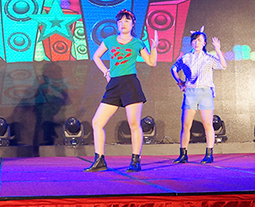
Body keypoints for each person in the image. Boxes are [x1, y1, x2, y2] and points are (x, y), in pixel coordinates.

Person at [86, 9, 158, 172]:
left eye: (127, 21)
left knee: (134, 124)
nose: (123, 24)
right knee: (97, 122)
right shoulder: (110, 40)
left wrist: (154, 47)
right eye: (120, 21)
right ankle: (99, 160)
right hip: (114, 85)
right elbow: (96, 56)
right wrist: (106, 71)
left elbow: (151, 62)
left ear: (133, 24)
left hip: (130, 84)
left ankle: (135, 160)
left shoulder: (138, 43)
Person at [170, 30, 227, 164]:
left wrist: (217, 50)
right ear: (191, 42)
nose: (196, 43)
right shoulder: (186, 57)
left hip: (205, 92)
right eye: (194, 40)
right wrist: (180, 83)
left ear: (204, 43)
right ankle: (183, 154)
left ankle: (209, 154)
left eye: (199, 40)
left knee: (208, 124)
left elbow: (223, 65)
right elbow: (173, 69)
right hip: (190, 93)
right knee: (186, 125)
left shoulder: (209, 58)